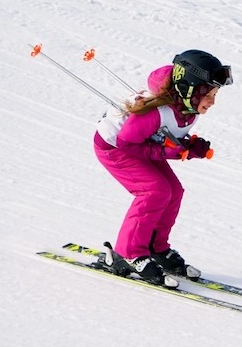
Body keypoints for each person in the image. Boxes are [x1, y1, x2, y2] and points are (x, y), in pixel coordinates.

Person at [92, 49, 233, 287]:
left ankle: (155, 248)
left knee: (174, 191)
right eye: (208, 94)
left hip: (141, 146)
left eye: (215, 94)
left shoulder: (187, 108)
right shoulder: (156, 111)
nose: (212, 102)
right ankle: (128, 253)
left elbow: (166, 135)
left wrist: (189, 146)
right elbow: (127, 143)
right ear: (188, 90)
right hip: (115, 149)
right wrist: (167, 152)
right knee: (154, 191)